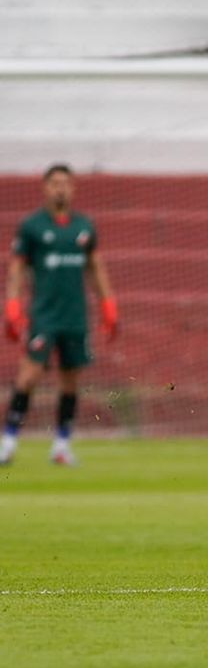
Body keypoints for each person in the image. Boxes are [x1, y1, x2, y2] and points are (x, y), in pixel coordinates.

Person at [1, 164, 118, 467]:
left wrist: (108, 305)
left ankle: (62, 446)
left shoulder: (84, 226)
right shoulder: (32, 227)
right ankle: (8, 443)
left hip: (75, 316)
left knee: (70, 382)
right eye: (54, 183)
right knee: (28, 377)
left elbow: (95, 266)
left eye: (65, 183)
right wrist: (12, 306)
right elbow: (16, 268)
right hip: (44, 316)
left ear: (73, 188)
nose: (60, 188)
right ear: (45, 187)